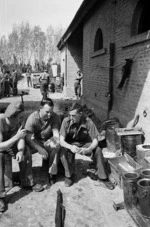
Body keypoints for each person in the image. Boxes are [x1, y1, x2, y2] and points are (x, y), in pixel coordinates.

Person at [59, 102, 114, 189]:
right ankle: (69, 176)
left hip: (84, 144)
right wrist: (70, 147)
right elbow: (61, 141)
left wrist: (88, 149)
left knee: (98, 150)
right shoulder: (66, 121)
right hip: (71, 144)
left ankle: (103, 178)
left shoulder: (88, 121)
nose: (71, 118)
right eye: (70, 115)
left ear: (80, 114)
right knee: (63, 150)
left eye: (74, 115)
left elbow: (95, 140)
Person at [0, 101, 43, 212]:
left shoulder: (18, 122)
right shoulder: (0, 121)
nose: (22, 120)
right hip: (1, 147)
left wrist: (20, 151)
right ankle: (1, 196)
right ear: (12, 117)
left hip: (11, 145)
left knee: (26, 152)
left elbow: (21, 138)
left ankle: (27, 182)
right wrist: (16, 137)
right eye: (20, 117)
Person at [25, 98, 61, 188]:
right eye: (47, 112)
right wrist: (39, 148)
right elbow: (28, 139)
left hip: (48, 140)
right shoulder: (32, 118)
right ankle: (28, 178)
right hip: (36, 141)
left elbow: (56, 134)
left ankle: (52, 173)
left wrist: (53, 140)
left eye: (51, 112)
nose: (49, 115)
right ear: (40, 108)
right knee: (26, 150)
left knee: (56, 146)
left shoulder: (55, 117)